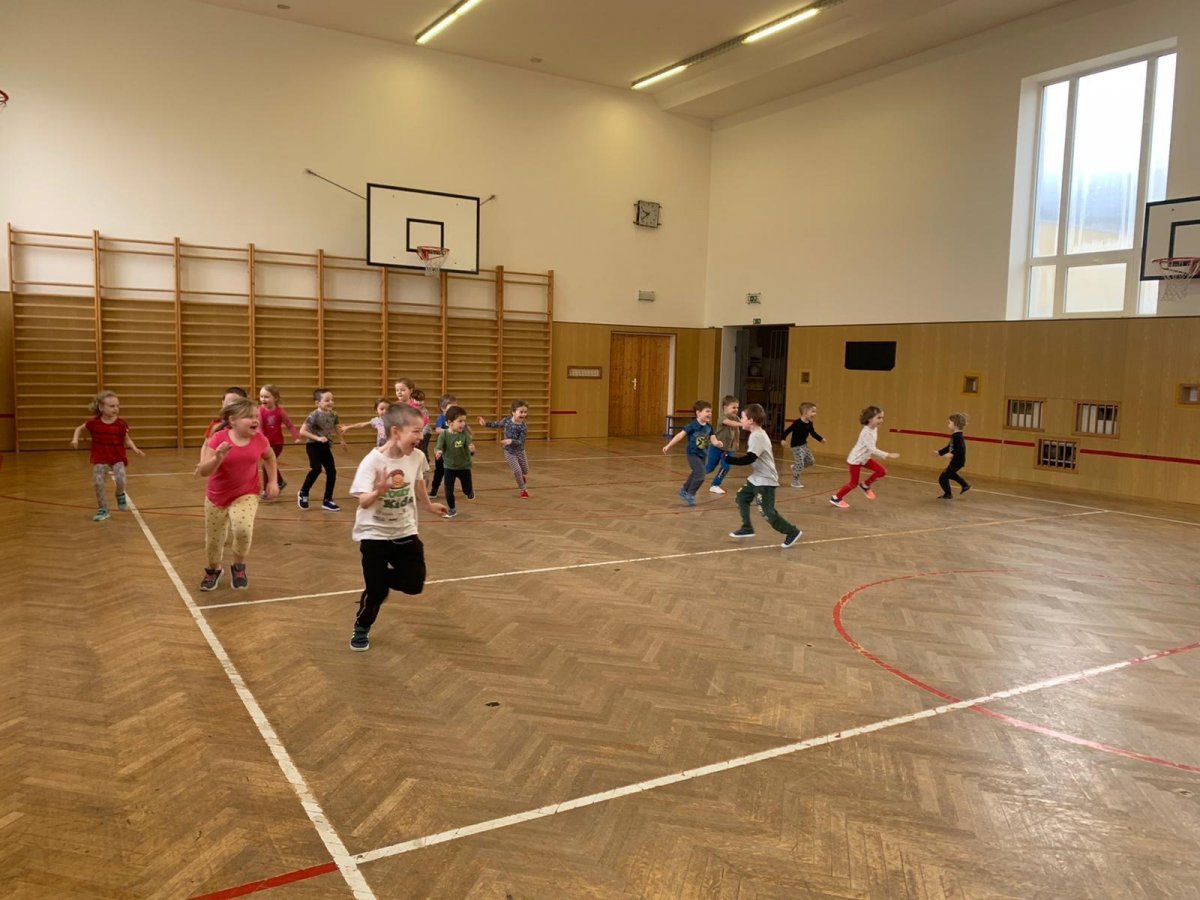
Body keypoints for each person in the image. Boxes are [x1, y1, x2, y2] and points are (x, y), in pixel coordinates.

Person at [348, 403, 448, 651]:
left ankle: (378, 580)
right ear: (395, 432)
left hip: (405, 530)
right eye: (416, 431)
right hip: (374, 535)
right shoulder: (372, 461)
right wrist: (378, 491)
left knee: (414, 584)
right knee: (376, 595)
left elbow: (418, 481)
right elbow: (363, 501)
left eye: (422, 430)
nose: (421, 436)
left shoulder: (417, 457)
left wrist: (428, 505)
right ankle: (362, 627)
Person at [196, 397, 278, 590]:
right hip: (216, 495)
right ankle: (214, 569)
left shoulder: (260, 440)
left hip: (246, 493)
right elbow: (204, 472)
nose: (255, 420)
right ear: (232, 420)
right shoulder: (218, 438)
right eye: (248, 417)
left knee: (242, 530)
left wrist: (272, 481)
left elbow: (270, 457)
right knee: (214, 540)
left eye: (256, 416)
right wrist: (218, 457)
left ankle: (238, 566)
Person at [725, 403, 802, 548]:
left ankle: (792, 532)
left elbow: (749, 459)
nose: (740, 419)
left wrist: (729, 460)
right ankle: (747, 528)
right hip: (756, 478)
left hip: (765, 480)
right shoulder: (755, 434)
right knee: (742, 497)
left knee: (767, 512)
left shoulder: (758, 437)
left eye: (742, 417)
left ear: (751, 420)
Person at [70, 390, 145, 522]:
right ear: (101, 407)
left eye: (117, 406)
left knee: (121, 480)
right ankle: (103, 509)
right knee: (98, 482)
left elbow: (127, 439)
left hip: (117, 457)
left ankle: (119, 494)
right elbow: (79, 428)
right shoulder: (93, 423)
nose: (115, 409)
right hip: (100, 457)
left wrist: (134, 448)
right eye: (111, 406)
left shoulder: (121, 424)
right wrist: (75, 439)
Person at [830, 406, 899, 509]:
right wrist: (888, 455)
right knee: (853, 483)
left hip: (865, 458)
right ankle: (836, 498)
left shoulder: (874, 428)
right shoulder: (866, 432)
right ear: (869, 419)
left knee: (882, 471)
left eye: (882, 418)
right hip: (856, 460)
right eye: (879, 418)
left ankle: (865, 485)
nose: (881, 420)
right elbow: (873, 449)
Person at [662, 400, 723, 506]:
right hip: (692, 454)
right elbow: (680, 435)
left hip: (703, 454)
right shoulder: (692, 425)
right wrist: (669, 445)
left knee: (696, 472)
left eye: (710, 411)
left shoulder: (709, 427)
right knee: (701, 474)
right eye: (707, 411)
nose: (710, 413)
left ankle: (684, 489)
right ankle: (690, 494)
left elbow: (713, 439)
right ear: (698, 413)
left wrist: (717, 443)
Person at [297, 388, 347, 511]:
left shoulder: (334, 414)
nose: (331, 402)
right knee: (316, 468)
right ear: (317, 403)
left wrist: (341, 440)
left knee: (332, 471)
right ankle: (303, 492)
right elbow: (302, 431)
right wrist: (317, 438)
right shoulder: (314, 415)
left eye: (332, 400)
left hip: (325, 446)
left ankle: (327, 500)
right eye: (327, 400)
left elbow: (336, 427)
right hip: (313, 445)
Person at [479, 400, 531, 497]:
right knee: (517, 470)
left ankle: (522, 476)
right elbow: (497, 424)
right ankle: (523, 490)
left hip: (520, 451)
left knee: (525, 471)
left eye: (525, 412)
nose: (523, 414)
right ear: (513, 412)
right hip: (509, 452)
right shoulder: (507, 421)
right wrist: (485, 424)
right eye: (521, 412)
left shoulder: (523, 427)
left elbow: (521, 442)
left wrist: (511, 441)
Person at [257, 384, 302, 496]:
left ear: (275, 398)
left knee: (266, 465)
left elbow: (289, 425)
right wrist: (262, 440)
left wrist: (296, 436)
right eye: (261, 396)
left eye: (266, 397)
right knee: (270, 463)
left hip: (277, 444)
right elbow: (259, 427)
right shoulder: (260, 411)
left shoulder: (280, 412)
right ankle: (280, 482)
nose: (263, 399)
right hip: (265, 444)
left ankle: (267, 491)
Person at [434, 405, 476, 518]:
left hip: (464, 467)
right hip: (449, 467)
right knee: (448, 490)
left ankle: (469, 492)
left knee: (466, 489)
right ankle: (452, 509)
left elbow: (470, 448)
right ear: (450, 423)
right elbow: (438, 447)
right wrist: (438, 452)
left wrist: (472, 450)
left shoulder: (465, 435)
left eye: (464, 421)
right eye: (460, 421)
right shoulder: (444, 435)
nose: (463, 424)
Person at [780, 402, 825, 488]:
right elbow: (787, 431)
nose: (815, 414)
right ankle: (795, 481)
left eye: (815, 411)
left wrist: (820, 439)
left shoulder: (809, 423)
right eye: (813, 411)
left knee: (811, 461)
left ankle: (795, 467)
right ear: (805, 412)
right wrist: (783, 439)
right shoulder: (797, 423)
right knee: (800, 463)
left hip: (804, 445)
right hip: (796, 446)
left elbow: (813, 433)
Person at [200, 386, 248, 462]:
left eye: (235, 402)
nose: (230, 405)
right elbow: (206, 445)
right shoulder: (215, 424)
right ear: (223, 403)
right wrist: (202, 462)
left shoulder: (246, 425)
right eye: (228, 402)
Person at [706, 395, 741, 495]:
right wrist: (743, 424)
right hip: (716, 447)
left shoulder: (736, 418)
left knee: (726, 466)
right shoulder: (722, 418)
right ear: (725, 407)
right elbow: (731, 424)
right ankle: (697, 475)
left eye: (737, 407)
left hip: (729, 449)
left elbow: (737, 430)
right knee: (710, 468)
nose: (736, 410)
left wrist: (737, 441)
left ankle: (715, 485)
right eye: (733, 407)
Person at [933, 413, 971, 499]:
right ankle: (965, 485)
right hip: (957, 461)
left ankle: (948, 494)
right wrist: (939, 452)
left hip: (958, 461)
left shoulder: (958, 436)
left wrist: (952, 454)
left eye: (949, 423)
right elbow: (949, 447)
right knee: (950, 474)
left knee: (943, 477)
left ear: (955, 424)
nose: (948, 425)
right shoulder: (955, 435)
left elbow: (961, 449)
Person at [429, 393, 458, 498]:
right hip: (441, 450)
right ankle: (434, 489)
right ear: (443, 408)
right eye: (451, 407)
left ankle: (449, 490)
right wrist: (448, 431)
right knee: (439, 471)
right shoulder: (441, 418)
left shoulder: (457, 419)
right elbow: (437, 429)